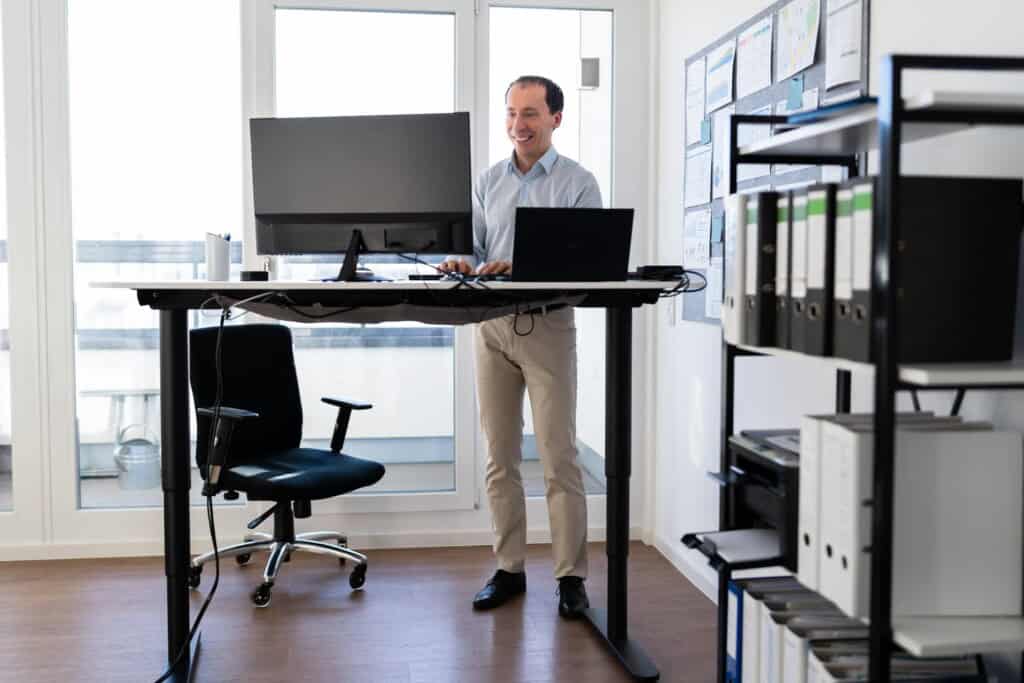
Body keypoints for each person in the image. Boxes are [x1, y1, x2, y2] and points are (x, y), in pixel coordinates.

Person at [440, 75, 602, 619]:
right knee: (499, 457)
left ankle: (570, 577)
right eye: (511, 113)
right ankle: (509, 568)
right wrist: (463, 260)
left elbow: (587, 267)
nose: (518, 125)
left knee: (560, 458)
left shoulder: (579, 184)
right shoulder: (488, 181)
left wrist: (528, 269)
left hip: (549, 328)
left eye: (530, 113)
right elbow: (475, 247)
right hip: (491, 327)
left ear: (556, 118)